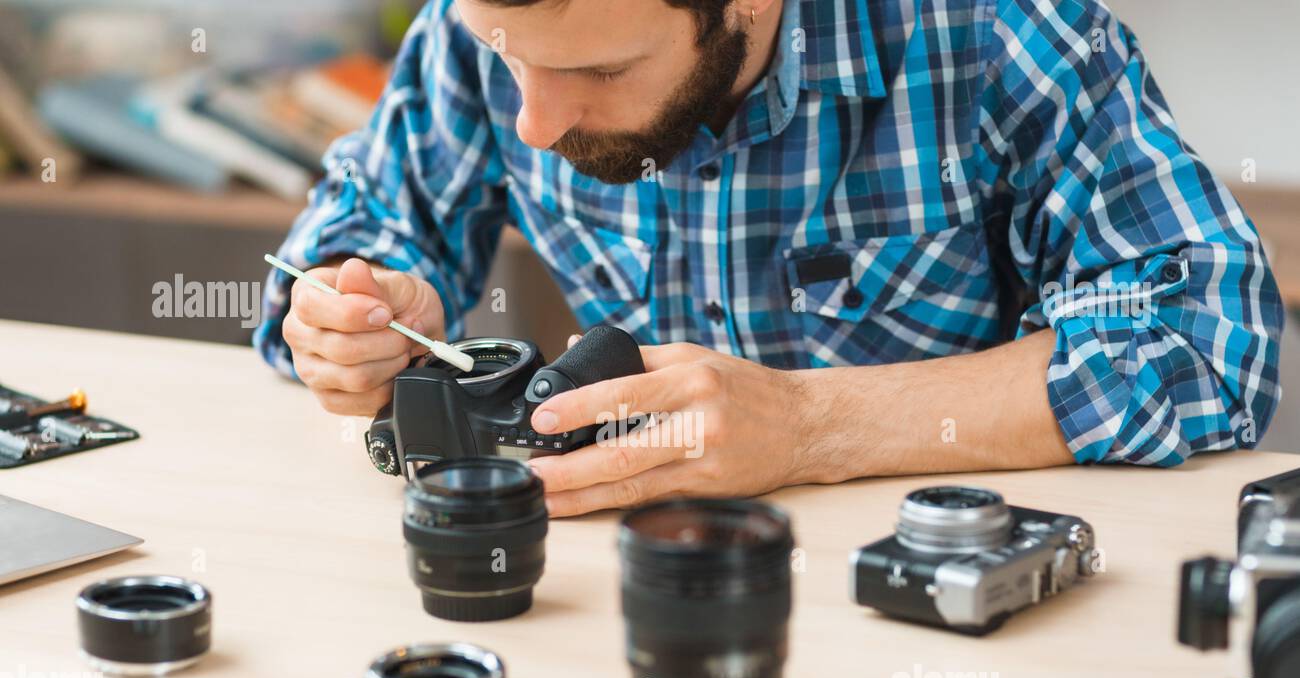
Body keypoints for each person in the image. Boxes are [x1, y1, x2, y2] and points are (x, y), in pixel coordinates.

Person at [255, 0, 1283, 516]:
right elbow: (363, 227)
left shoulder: (1001, 35)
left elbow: (1202, 337)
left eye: (601, 71)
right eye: (503, 61)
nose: (532, 120)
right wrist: (351, 310)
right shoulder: (490, 28)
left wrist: (811, 425)